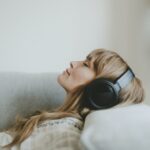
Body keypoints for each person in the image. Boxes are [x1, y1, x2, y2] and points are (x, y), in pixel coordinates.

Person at [0, 48, 144, 149]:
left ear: (102, 91)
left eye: (86, 64)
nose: (73, 62)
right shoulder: (57, 121)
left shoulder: (67, 134)